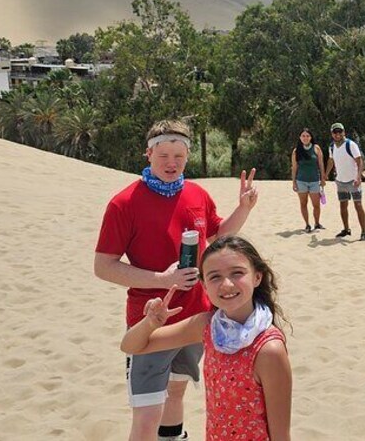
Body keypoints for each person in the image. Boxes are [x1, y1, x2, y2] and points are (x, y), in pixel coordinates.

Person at [94, 119, 259, 441]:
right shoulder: (123, 203)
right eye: (163, 155)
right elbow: (104, 266)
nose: (171, 163)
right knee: (146, 411)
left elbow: (217, 234)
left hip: (195, 319)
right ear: (148, 154)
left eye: (179, 156)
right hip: (151, 323)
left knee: (176, 394)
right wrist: (162, 279)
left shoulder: (196, 193)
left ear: (187, 156)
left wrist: (244, 208)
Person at [121, 236, 292, 441]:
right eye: (215, 277)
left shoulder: (268, 349)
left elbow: (281, 435)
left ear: (257, 277)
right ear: (203, 284)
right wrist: (150, 323)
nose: (227, 284)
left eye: (237, 273)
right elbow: (131, 346)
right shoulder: (207, 325)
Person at [324, 122, 365, 241]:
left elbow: (359, 161)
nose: (337, 134)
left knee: (358, 205)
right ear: (332, 134)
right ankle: (346, 229)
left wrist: (358, 177)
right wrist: (325, 175)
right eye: (335, 132)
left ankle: (364, 232)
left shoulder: (350, 145)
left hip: (353, 181)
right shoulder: (332, 146)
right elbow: (331, 161)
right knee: (343, 205)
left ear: (344, 132)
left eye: (340, 132)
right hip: (340, 181)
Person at [290, 128, 326, 233]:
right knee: (303, 203)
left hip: (314, 180)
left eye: (307, 136)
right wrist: (293, 182)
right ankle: (307, 224)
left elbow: (321, 164)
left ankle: (317, 223)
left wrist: (322, 178)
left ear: (311, 137)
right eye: (303, 136)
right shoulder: (296, 151)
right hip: (301, 181)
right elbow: (294, 167)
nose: (305, 138)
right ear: (300, 137)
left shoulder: (316, 148)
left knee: (316, 204)